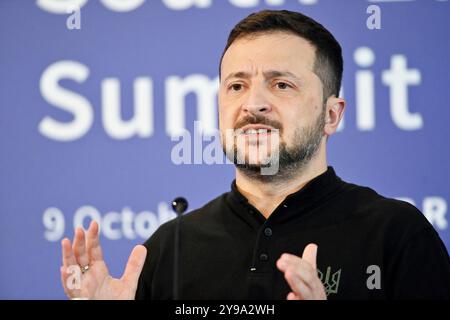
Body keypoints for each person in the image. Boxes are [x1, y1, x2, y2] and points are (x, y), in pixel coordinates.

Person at [60, 10, 450, 300]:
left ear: (331, 115)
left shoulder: (397, 235)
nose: (254, 104)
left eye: (281, 84)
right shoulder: (168, 249)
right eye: (236, 86)